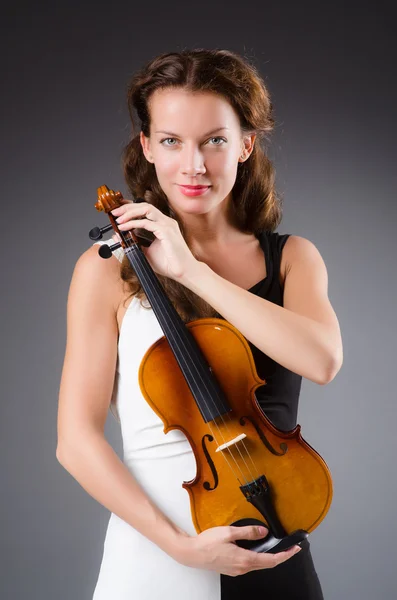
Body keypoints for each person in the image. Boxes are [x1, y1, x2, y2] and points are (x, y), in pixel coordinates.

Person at [56, 48, 343, 600]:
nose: (194, 165)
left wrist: (191, 271)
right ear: (146, 146)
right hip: (157, 557)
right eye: (171, 141)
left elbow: (323, 360)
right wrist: (180, 547)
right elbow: (75, 441)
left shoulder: (292, 258)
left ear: (246, 144)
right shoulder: (108, 271)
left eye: (215, 139)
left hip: (273, 540)